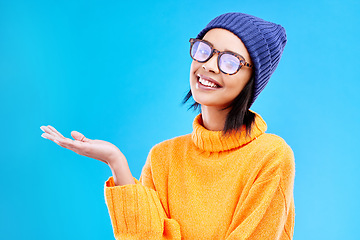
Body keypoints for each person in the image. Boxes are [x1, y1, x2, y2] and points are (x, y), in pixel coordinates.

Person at [40, 12, 295, 240]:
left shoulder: (270, 156)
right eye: (204, 50)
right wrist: (115, 160)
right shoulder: (164, 157)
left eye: (230, 62)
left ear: (253, 79)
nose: (208, 65)